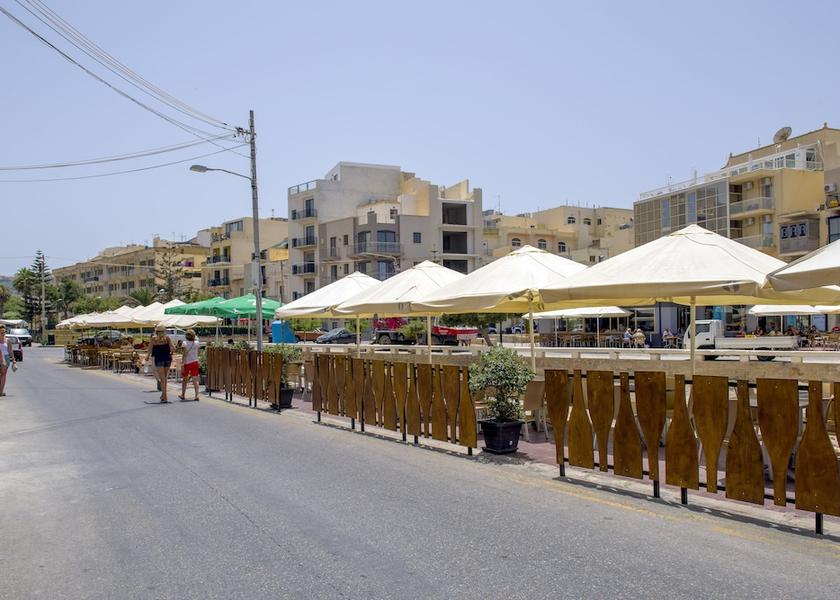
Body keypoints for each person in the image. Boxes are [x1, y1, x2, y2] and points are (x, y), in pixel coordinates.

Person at [146, 324, 175, 402]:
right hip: (167, 359)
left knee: (162, 378)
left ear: (156, 331)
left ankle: (165, 396)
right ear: (164, 331)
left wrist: (147, 356)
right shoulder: (167, 338)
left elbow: (149, 349)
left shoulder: (153, 339)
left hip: (159, 359)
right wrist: (171, 350)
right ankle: (163, 395)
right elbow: (173, 348)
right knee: (165, 378)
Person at [179, 329, 200, 402]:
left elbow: (184, 354)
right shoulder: (197, 343)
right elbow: (198, 353)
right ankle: (197, 395)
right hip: (195, 362)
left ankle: (183, 394)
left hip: (187, 363)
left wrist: (182, 363)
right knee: (195, 379)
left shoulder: (184, 343)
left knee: (185, 379)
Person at [0, 326, 12, 396]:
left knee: (3, 375)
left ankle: (1, 392)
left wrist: (13, 359)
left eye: (4, 332)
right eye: (2, 332)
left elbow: (10, 350)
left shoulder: (7, 340)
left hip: (6, 358)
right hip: (1, 358)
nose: (3, 333)